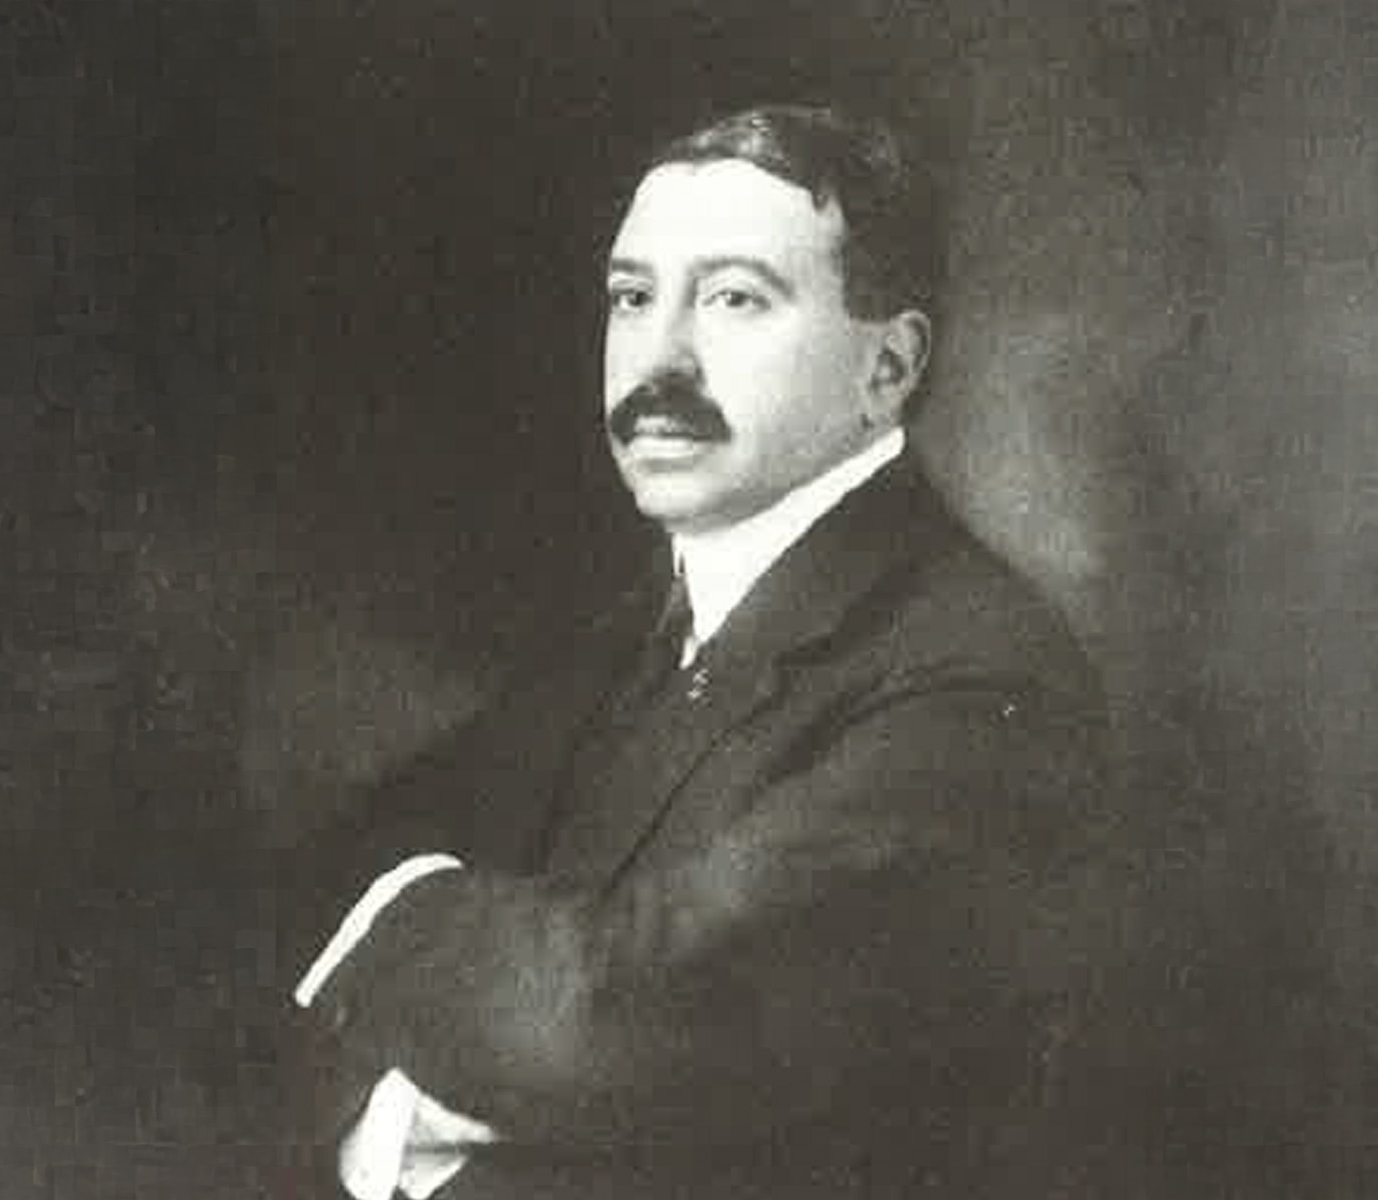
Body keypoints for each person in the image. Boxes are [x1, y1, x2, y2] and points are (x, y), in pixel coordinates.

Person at [281, 103, 1119, 1200]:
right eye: (634, 298)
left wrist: (396, 941)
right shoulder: (625, 635)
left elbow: (610, 1025)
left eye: (734, 299)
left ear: (888, 366)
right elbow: (319, 887)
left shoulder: (982, 679)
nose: (659, 358)